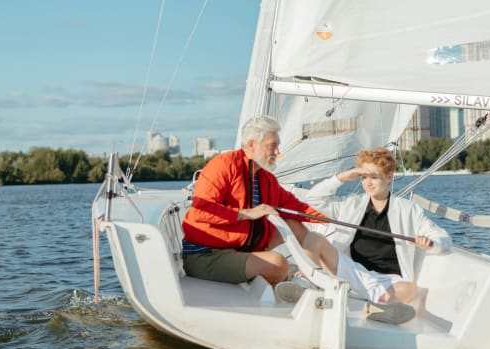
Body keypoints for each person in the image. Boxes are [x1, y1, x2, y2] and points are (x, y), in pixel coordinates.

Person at [181, 115, 339, 302]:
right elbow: (201, 210)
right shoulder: (222, 166)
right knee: (278, 263)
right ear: (251, 145)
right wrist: (247, 213)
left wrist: (327, 220)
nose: (277, 152)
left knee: (293, 224)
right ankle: (285, 276)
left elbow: (295, 207)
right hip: (207, 255)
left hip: (243, 248)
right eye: (272, 146)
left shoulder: (266, 177)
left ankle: (305, 279)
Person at [302, 147, 451, 324]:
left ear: (389, 177)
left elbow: (443, 238)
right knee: (314, 239)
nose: (368, 183)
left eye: (374, 177)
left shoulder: (407, 209)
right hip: (352, 271)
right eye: (364, 177)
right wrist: (341, 177)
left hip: (387, 280)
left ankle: (373, 307)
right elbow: (312, 200)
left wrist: (430, 243)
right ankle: (303, 284)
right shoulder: (351, 205)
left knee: (410, 289)